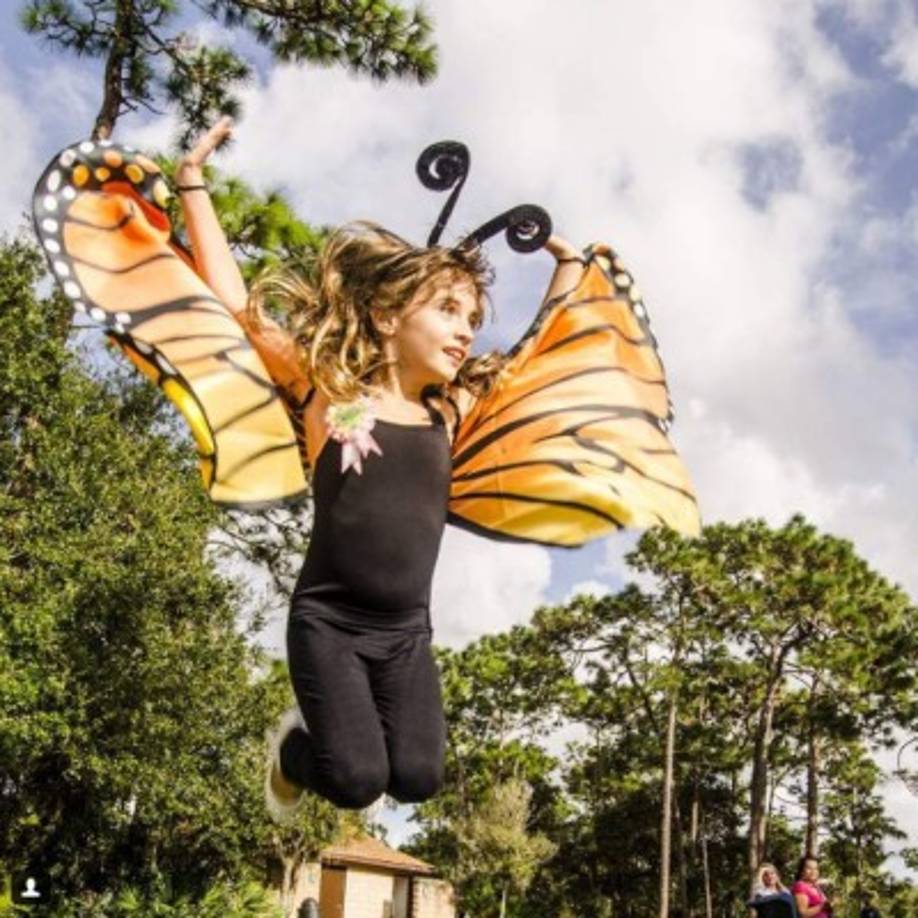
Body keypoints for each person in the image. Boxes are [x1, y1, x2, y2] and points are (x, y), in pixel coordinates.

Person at [174, 117, 591, 818]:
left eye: (474, 315)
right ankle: (294, 752)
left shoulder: (449, 412)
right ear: (392, 316)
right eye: (450, 309)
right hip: (329, 622)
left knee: (419, 779)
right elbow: (238, 309)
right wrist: (193, 183)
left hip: (406, 634)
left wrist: (567, 267)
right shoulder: (326, 391)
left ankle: (342, 746)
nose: (467, 328)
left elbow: (528, 356)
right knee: (356, 780)